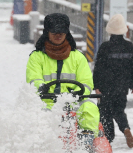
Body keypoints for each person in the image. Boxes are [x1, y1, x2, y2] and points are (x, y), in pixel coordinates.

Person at [26, 13, 100, 144]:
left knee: (89, 107)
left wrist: (77, 93)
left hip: (73, 102)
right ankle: (41, 145)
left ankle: (86, 143)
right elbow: (33, 79)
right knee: (37, 114)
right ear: (47, 32)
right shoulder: (36, 57)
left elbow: (86, 82)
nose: (58, 35)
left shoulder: (78, 57)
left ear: (67, 33)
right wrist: (42, 88)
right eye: (54, 32)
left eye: (62, 32)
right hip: (46, 102)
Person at [93, 14, 133, 148]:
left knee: (105, 113)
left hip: (106, 88)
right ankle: (125, 128)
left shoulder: (105, 47)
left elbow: (98, 69)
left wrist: (96, 86)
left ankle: (108, 140)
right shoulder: (129, 46)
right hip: (122, 87)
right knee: (119, 110)